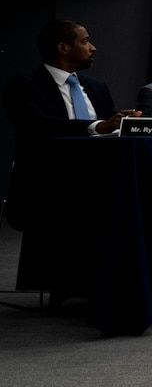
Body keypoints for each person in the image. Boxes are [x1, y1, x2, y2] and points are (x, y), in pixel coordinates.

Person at [3, 19, 139, 232]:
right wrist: (97, 127)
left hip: (98, 190)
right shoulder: (23, 87)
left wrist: (123, 122)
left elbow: (106, 124)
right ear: (63, 47)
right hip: (49, 191)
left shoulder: (97, 87)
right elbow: (39, 127)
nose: (93, 47)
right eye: (85, 41)